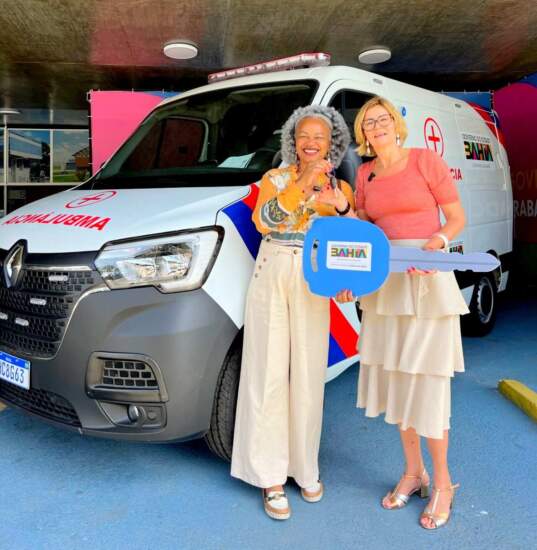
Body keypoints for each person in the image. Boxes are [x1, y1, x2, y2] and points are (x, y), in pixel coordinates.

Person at [335, 96, 468, 530]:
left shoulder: (425, 160)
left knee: (426, 382)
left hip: (427, 280)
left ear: (395, 123)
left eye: (382, 119)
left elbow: (455, 218)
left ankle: (443, 483)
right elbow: (363, 232)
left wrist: (436, 245)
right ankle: (414, 473)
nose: (376, 127)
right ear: (363, 133)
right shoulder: (366, 174)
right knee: (398, 382)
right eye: (368, 123)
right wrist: (352, 272)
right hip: (385, 284)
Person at [231, 105, 355, 520]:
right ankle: (269, 477)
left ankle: (305, 468)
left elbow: (352, 236)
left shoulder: (341, 186)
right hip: (273, 268)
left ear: (331, 143)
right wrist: (302, 182)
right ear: (293, 141)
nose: (311, 142)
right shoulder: (274, 179)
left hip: (315, 274)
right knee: (267, 370)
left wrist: (341, 208)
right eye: (304, 135)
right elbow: (265, 221)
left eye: (320, 136)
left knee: (308, 372)